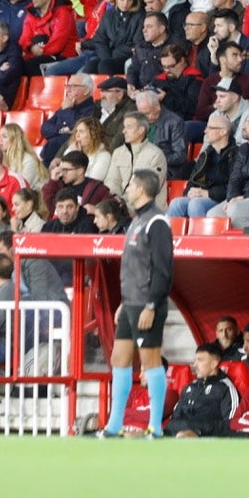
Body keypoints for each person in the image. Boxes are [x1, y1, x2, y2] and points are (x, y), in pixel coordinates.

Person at [97, 170, 173, 439]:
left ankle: (155, 426)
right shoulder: (137, 220)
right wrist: (124, 302)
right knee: (119, 359)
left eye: (130, 185)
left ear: (140, 189)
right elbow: (134, 268)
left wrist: (152, 305)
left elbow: (163, 269)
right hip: (131, 303)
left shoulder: (157, 222)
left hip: (147, 304)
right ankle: (114, 426)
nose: (127, 189)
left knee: (151, 362)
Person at [163, 344, 240, 438]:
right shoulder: (189, 387)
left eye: (200, 360)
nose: (194, 365)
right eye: (195, 360)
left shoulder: (226, 388)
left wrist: (198, 431)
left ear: (214, 364)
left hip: (205, 440)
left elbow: (231, 425)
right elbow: (174, 418)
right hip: (176, 434)